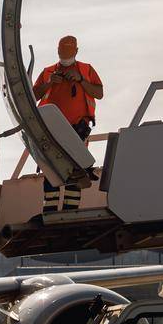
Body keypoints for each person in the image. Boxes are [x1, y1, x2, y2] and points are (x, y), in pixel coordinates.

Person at [32, 35, 104, 212]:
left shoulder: (86, 70)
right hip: (51, 129)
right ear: (58, 51)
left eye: (69, 51)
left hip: (78, 129)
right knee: (52, 168)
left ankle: (70, 210)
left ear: (76, 51)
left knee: (76, 169)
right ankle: (50, 210)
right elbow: (32, 96)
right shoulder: (48, 72)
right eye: (63, 50)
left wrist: (80, 79)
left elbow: (99, 93)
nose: (65, 54)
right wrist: (49, 83)